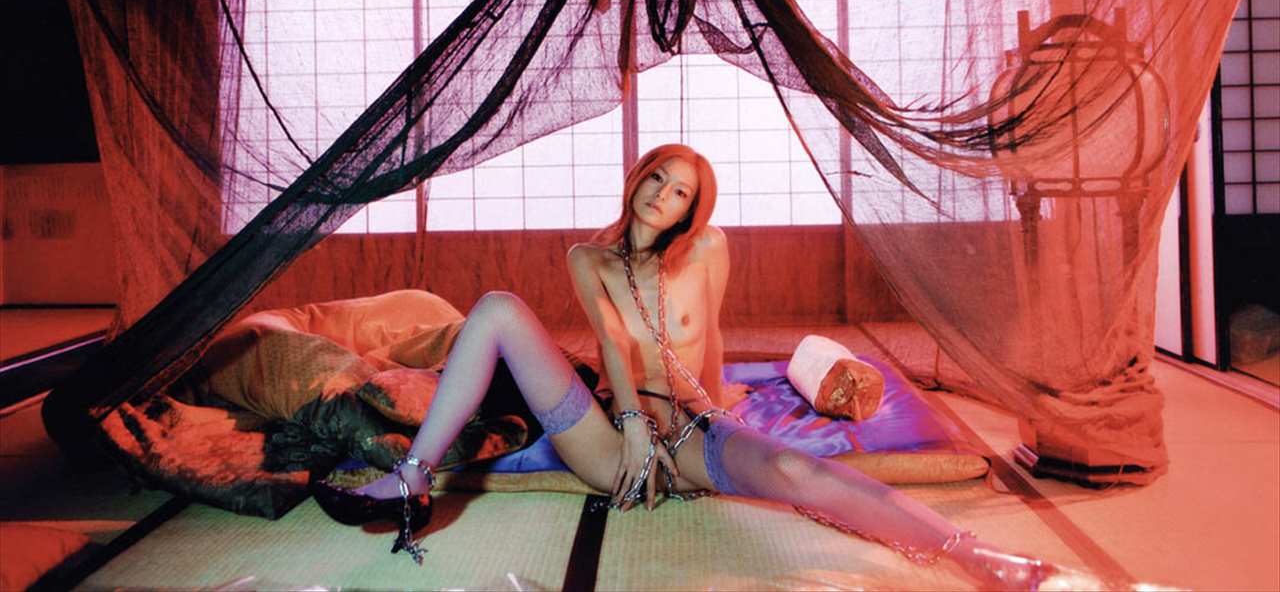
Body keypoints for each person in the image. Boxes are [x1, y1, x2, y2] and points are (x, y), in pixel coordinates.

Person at [314, 144, 1106, 589]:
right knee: (493, 307)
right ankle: (413, 478)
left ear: (696, 209)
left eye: (681, 191)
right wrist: (630, 425)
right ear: (638, 179)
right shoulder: (589, 257)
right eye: (657, 178)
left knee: (795, 473)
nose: (663, 194)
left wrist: (726, 416)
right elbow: (614, 345)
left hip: (693, 427)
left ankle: (982, 558)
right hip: (607, 432)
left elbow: (715, 335)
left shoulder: (710, 251)